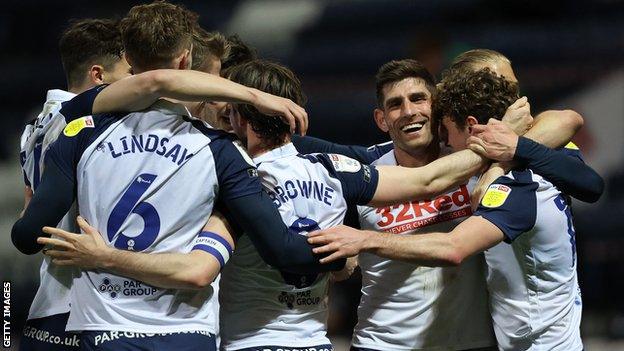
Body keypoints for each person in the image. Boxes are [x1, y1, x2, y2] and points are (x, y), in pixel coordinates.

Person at [11, 2, 317, 350]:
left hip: (65, 310)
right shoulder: (206, 147)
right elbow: (158, 80)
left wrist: (27, 216)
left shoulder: (55, 126)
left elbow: (28, 233)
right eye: (206, 82)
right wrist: (259, 98)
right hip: (110, 311)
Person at [308, 67, 604, 351]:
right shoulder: (367, 168)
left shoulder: (498, 173)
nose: (409, 111)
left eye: (419, 99)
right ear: (382, 119)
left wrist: (503, 158)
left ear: (437, 108)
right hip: (382, 343)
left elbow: (568, 123)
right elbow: (295, 146)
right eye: (396, 104)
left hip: (477, 343)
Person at [17, 18, 130, 351]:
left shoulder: (34, 126)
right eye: (129, 74)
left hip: (50, 300)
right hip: (84, 304)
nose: (136, 83)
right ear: (98, 75)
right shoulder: (80, 123)